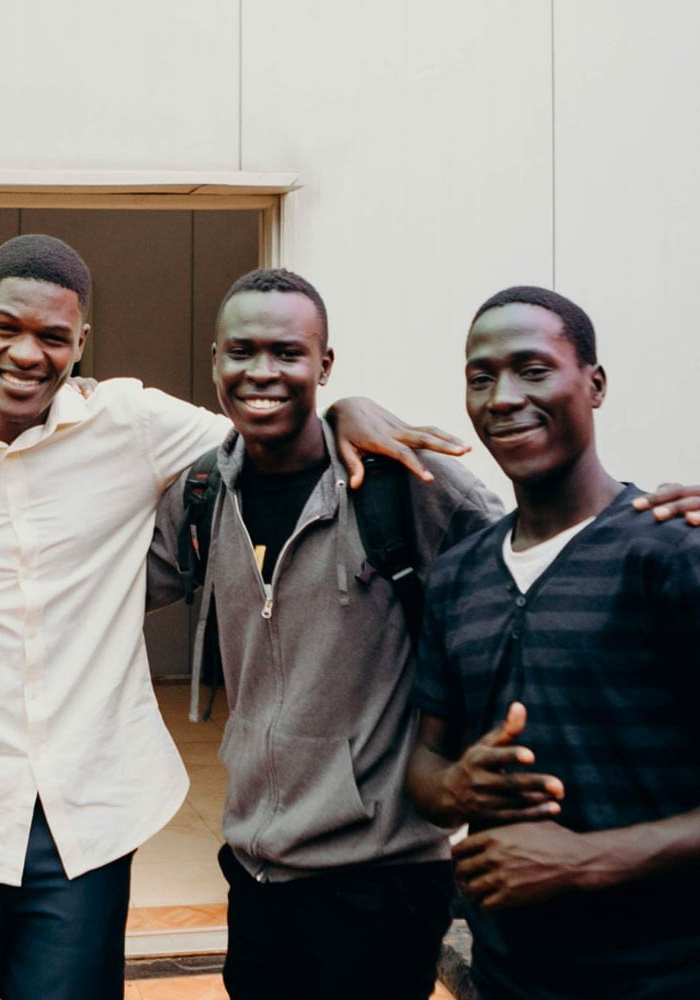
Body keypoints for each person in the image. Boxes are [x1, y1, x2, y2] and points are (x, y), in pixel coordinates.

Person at [0, 236, 464, 1000]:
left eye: (53, 337)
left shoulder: (131, 423)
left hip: (91, 807)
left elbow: (265, 424)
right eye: (7, 328)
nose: (27, 354)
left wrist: (342, 412)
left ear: (80, 343)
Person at [147, 268, 504, 999]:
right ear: (215, 361)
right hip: (255, 866)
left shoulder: (402, 478)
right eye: (241, 352)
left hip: (380, 874)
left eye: (288, 352)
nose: (262, 373)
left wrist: (634, 516)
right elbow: (98, 589)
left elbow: (531, 554)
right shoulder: (203, 492)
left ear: (325, 364)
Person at [407, 286, 700, 998]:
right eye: (482, 377)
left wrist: (586, 860)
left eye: (533, 369)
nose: (503, 396)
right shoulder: (457, 578)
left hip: (666, 974)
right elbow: (425, 766)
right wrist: (453, 785)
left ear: (593, 384)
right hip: (511, 974)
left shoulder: (671, 554)